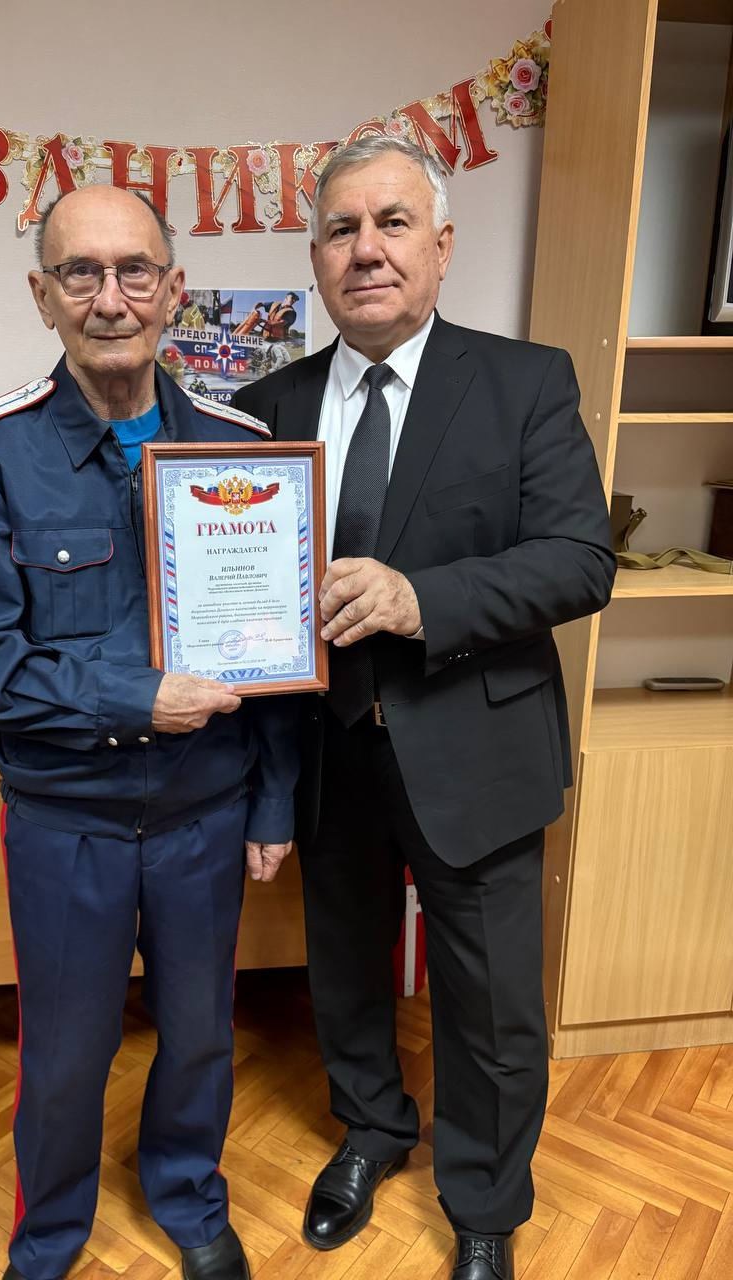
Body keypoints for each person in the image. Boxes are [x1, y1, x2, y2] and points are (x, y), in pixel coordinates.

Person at [233, 135, 615, 1280]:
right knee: (346, 972)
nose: (368, 249)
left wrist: (421, 598)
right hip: (329, 752)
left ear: (442, 247)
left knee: (491, 1003)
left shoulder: (526, 380)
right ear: (315, 257)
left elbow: (580, 560)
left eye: (392, 222)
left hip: (477, 749)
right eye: (342, 229)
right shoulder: (261, 409)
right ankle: (372, 1128)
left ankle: (486, 1203)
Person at [0, 184, 296, 1280]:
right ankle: (48, 1237)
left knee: (202, 1032)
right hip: (66, 823)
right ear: (44, 296)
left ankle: (189, 1197)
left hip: (204, 814)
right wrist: (134, 697)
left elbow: (275, 658)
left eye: (135, 270)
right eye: (80, 273)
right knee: (67, 1048)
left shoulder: (242, 448)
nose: (110, 297)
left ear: (174, 289)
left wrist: (272, 802)